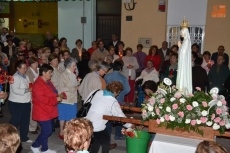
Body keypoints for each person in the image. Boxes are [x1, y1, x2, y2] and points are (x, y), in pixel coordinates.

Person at [85, 81, 131, 153]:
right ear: (116, 92)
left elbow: (86, 102)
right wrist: (130, 125)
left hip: (86, 121)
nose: (118, 95)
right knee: (106, 140)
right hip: (96, 125)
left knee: (96, 140)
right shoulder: (112, 101)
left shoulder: (96, 91)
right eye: (118, 93)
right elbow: (121, 117)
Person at [31, 64, 62, 153]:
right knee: (47, 130)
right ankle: (36, 145)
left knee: (47, 130)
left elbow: (53, 92)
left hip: (48, 110)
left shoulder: (47, 81)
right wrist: (55, 99)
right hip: (41, 111)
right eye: (49, 72)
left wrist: (58, 95)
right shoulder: (38, 84)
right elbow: (42, 99)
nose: (51, 74)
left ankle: (43, 148)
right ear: (43, 73)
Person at [104, 60, 130, 143]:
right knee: (119, 117)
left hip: (107, 99)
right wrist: (121, 93)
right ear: (120, 69)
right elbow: (128, 90)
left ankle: (107, 136)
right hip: (119, 99)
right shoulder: (123, 77)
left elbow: (104, 87)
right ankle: (118, 135)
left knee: (108, 118)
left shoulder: (107, 76)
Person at [8, 60, 32, 143]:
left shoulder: (25, 76)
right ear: (18, 68)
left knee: (25, 120)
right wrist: (27, 89)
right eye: (23, 68)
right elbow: (15, 90)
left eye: (26, 68)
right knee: (15, 121)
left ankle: (24, 137)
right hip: (16, 103)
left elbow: (29, 85)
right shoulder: (14, 77)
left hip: (25, 102)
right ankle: (8, 136)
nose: (25, 70)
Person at [58, 58, 79, 139]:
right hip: (65, 99)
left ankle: (68, 132)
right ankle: (61, 132)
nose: (75, 67)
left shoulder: (72, 74)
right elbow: (61, 88)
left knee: (71, 117)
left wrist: (77, 83)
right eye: (74, 65)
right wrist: (74, 88)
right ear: (69, 66)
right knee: (63, 116)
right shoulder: (64, 74)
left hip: (72, 98)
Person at [176, 18, 192, 94]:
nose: (181, 34)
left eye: (182, 32)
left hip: (184, 63)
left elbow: (183, 52)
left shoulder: (186, 41)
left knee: (183, 74)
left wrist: (179, 46)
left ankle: (183, 88)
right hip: (183, 61)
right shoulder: (186, 41)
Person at [26, 57, 39, 134]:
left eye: (37, 63)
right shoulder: (28, 72)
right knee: (32, 110)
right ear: (30, 64)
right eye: (34, 63)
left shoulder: (38, 70)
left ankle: (35, 124)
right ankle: (32, 127)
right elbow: (32, 83)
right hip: (32, 92)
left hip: (38, 92)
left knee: (36, 109)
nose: (36, 64)